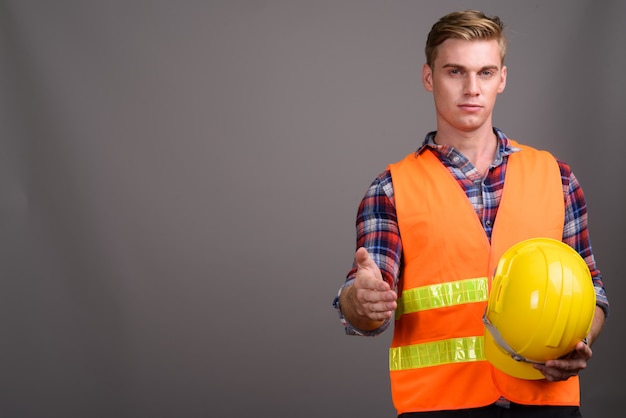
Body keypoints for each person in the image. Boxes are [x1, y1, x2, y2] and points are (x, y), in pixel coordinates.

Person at [332, 9, 610, 418]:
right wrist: (361, 300)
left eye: (484, 72)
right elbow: (363, 307)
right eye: (455, 72)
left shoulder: (557, 177)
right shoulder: (391, 189)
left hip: (547, 404)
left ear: (502, 78)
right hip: (440, 407)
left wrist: (579, 339)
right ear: (429, 78)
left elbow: (593, 291)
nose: (471, 88)